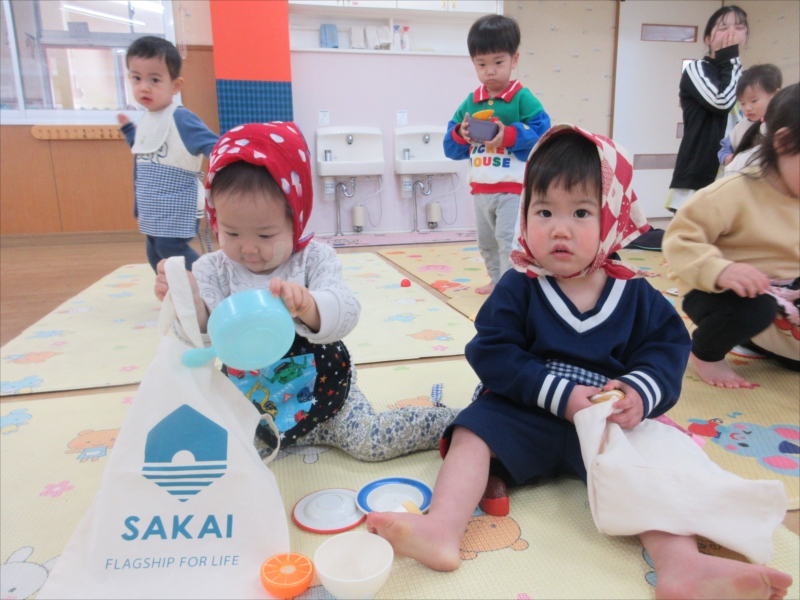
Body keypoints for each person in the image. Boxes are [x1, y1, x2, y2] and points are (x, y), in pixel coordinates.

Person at [366, 125, 793, 600]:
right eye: (544, 211)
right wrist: (560, 395)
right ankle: (442, 528)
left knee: (652, 468)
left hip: (605, 422)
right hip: (527, 411)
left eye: (582, 213)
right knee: (472, 432)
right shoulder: (521, 285)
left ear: (613, 219)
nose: (559, 228)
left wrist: (638, 392)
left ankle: (681, 566)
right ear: (525, 213)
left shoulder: (636, 294)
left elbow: (666, 352)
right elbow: (493, 351)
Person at [154, 122, 459, 461]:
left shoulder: (314, 259)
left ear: (295, 219)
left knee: (372, 442)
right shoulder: (212, 269)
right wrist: (189, 301)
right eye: (231, 233)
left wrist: (309, 306)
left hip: (330, 402)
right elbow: (203, 340)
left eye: (265, 235)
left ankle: (454, 422)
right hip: (255, 412)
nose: (248, 248)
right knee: (216, 454)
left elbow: (346, 310)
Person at [664, 84, 800, 389]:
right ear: (784, 142)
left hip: (786, 291)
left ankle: (757, 338)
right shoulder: (734, 191)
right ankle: (706, 352)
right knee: (756, 310)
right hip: (718, 290)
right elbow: (679, 239)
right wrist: (720, 270)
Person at [444, 14, 550, 294]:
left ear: (514, 60)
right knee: (487, 240)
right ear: (474, 63)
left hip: (512, 187)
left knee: (508, 238)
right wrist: (462, 133)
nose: (490, 71)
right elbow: (450, 146)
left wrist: (509, 136)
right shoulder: (472, 101)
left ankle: (510, 286)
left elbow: (543, 132)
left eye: (498, 62)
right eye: (482, 64)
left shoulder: (522, 97)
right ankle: (496, 280)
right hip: (481, 188)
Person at [118, 36, 219, 272]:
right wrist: (129, 130)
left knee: (170, 247)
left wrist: (231, 169)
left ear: (175, 86)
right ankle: (172, 287)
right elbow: (144, 148)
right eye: (137, 78)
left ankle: (206, 281)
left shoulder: (181, 118)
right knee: (154, 250)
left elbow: (214, 146)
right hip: (152, 204)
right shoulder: (149, 117)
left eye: (154, 79)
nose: (144, 87)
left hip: (176, 203)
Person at [665, 6, 748, 212]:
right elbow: (722, 102)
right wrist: (731, 60)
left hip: (735, 172)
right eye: (723, 28)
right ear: (708, 39)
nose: (731, 33)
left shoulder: (743, 76)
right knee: (692, 232)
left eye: (739, 28)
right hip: (699, 173)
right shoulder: (697, 69)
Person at [719, 64, 782, 174]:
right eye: (742, 103)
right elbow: (724, 148)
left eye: (754, 101)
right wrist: (727, 157)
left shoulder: (782, 123)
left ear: (776, 95)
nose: (747, 108)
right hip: (743, 178)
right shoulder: (740, 127)